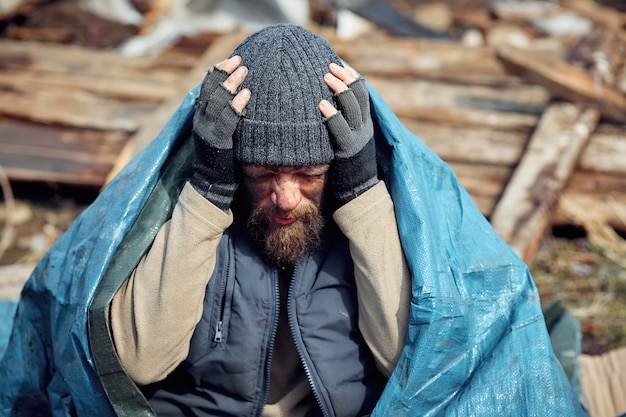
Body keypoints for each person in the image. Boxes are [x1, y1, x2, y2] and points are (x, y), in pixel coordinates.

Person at [109, 23, 411, 417]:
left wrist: (361, 195)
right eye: (262, 174)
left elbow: (409, 369)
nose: (285, 199)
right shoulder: (203, 210)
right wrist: (208, 193)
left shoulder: (359, 221)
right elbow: (139, 362)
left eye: (309, 175)